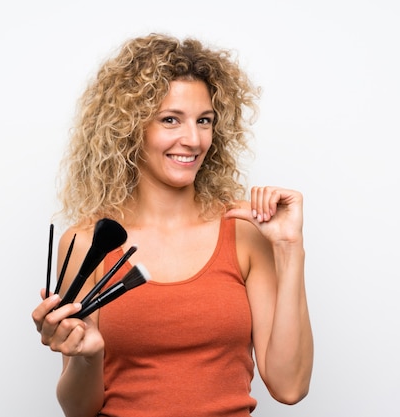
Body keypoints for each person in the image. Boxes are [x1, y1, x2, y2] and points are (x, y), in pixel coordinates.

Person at [32, 33, 313, 417]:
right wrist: (88, 356)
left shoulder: (244, 232)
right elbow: (79, 410)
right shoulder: (88, 242)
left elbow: (290, 386)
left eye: (204, 121)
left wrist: (289, 248)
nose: (193, 139)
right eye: (170, 120)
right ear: (130, 128)